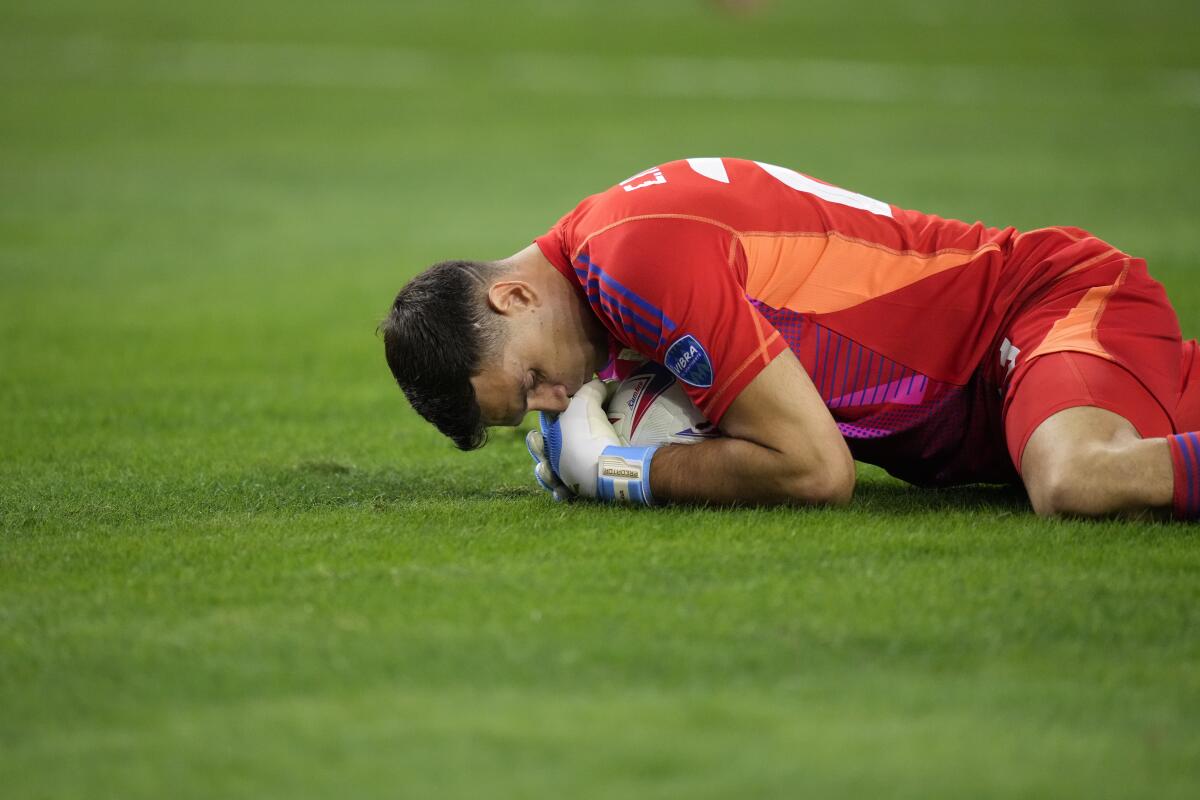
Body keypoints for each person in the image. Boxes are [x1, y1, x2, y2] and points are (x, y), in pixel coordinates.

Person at [381, 157, 1200, 519]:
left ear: (516, 293)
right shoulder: (607, 275)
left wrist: (619, 472)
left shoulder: (635, 259)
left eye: (532, 385)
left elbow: (815, 470)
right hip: (992, 401)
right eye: (532, 411)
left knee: (1080, 483)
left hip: (1041, 309)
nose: (559, 403)